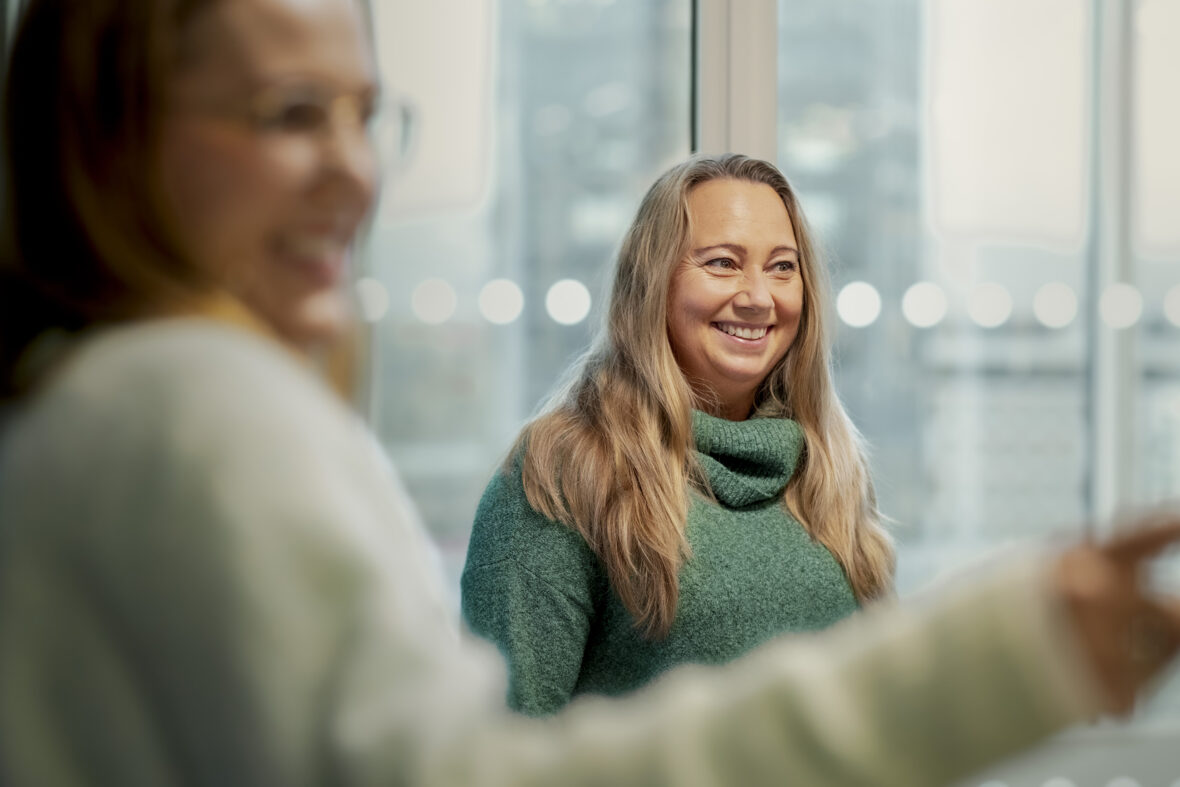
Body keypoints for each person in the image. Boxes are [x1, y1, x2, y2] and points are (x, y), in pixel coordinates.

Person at [1, 1, 1179, 786]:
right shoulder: (191, 409)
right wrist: (994, 662)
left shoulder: (831, 471)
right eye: (291, 114)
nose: (355, 170)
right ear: (113, 131)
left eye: (367, 116)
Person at [461, 153, 894, 716]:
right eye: (722, 263)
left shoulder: (830, 470)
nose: (759, 297)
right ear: (652, 283)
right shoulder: (564, 472)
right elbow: (502, 747)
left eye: (783, 267)